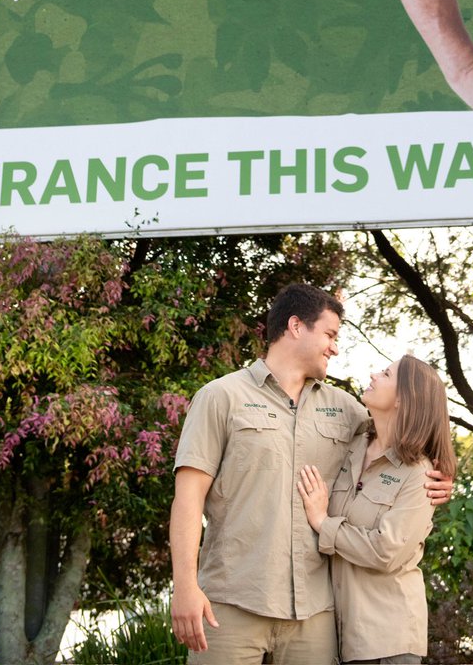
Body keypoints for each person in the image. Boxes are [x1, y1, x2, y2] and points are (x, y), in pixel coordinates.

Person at [169, 283, 453, 664]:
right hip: (233, 601)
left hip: (315, 614)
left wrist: (445, 477)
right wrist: (185, 585)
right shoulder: (221, 397)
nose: (335, 347)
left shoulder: (347, 409)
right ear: (296, 326)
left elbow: (406, 438)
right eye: (330, 334)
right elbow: (188, 498)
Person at [297, 355, 456, 665]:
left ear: (404, 399)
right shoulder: (352, 444)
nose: (372, 373)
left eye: (386, 374)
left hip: (388, 642)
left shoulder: (419, 473)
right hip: (340, 639)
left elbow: (387, 551)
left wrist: (322, 522)